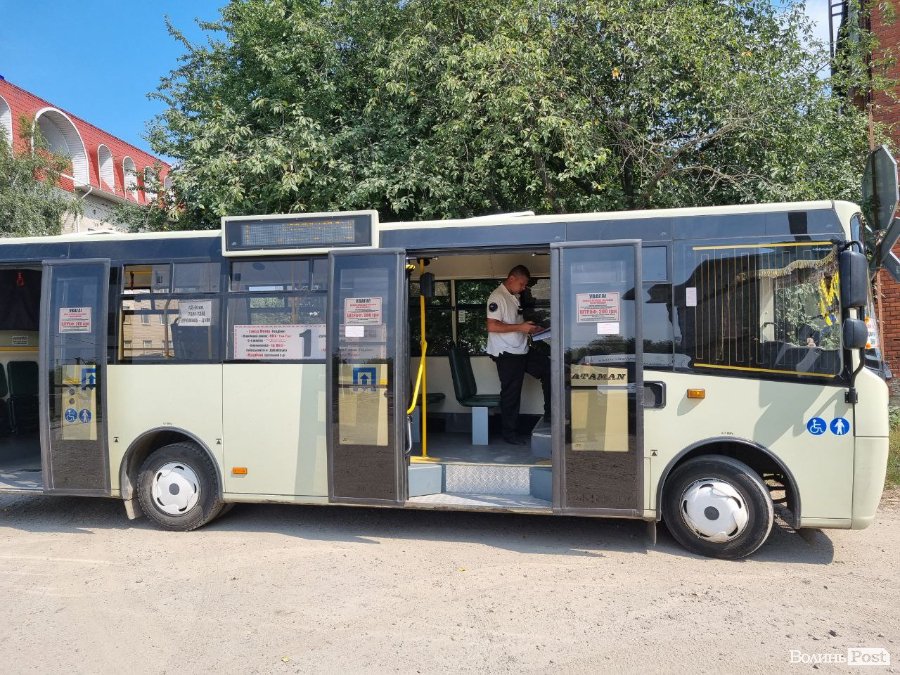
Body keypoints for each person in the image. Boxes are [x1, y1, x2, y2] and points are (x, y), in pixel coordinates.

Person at [485, 265, 551, 445]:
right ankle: (510, 434)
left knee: (550, 369)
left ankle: (551, 415)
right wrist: (521, 327)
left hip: (521, 349)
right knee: (511, 394)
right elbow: (492, 326)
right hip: (507, 353)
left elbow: (514, 322)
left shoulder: (513, 296)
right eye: (522, 284)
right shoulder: (497, 297)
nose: (523, 288)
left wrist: (529, 327)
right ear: (512, 279)